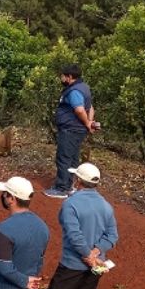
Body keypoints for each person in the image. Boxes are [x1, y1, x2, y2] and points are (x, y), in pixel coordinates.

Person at [25, 163, 119, 289]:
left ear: (78, 180)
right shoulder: (106, 206)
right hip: (96, 265)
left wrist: (86, 255)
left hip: (73, 264)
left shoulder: (71, 204)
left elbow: (74, 235)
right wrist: (96, 252)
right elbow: (112, 236)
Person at [44, 64, 95, 198]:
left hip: (70, 129)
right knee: (73, 158)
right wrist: (89, 123)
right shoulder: (84, 87)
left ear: (69, 77)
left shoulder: (74, 91)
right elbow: (90, 107)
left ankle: (62, 189)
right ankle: (70, 185)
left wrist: (87, 122)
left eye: (63, 76)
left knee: (64, 158)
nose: (61, 78)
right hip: (78, 130)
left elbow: (79, 109)